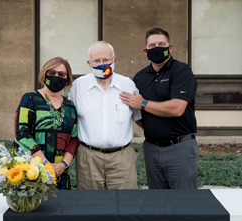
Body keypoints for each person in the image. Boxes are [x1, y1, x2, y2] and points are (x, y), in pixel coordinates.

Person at [120, 28, 199, 189]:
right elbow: (137, 115)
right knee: (158, 203)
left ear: (169, 48)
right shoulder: (140, 78)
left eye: (161, 44)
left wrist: (143, 103)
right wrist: (151, 126)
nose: (157, 48)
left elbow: (177, 108)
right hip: (151, 149)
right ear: (145, 51)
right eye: (152, 45)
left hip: (180, 148)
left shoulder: (181, 71)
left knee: (184, 202)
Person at [68, 41, 142, 190]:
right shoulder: (78, 86)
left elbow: (139, 117)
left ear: (114, 60)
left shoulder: (127, 85)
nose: (101, 64)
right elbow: (69, 120)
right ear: (89, 63)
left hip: (121, 158)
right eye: (96, 60)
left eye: (106, 60)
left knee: (125, 205)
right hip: (88, 158)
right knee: (90, 206)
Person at [14, 57, 78, 190]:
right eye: (52, 73)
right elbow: (22, 133)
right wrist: (44, 163)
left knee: (61, 208)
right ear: (44, 74)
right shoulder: (30, 98)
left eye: (61, 74)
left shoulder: (70, 106)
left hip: (59, 173)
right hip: (31, 171)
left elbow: (74, 139)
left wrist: (64, 165)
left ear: (67, 79)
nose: (56, 76)